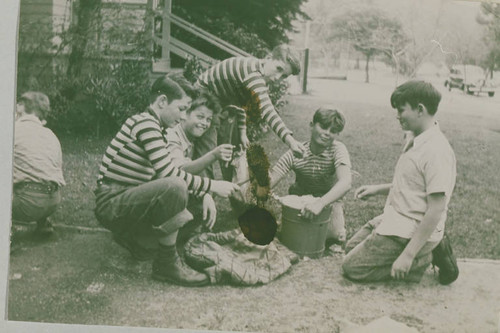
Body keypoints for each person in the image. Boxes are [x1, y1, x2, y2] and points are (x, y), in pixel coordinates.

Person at [94, 76, 239, 287]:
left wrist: (204, 193)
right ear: (162, 102)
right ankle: (167, 264)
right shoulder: (146, 124)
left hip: (125, 196)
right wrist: (213, 186)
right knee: (175, 186)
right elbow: (168, 173)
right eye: (181, 109)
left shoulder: (155, 127)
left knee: (183, 194)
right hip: (111, 202)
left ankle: (143, 243)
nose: (182, 117)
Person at [342, 80, 459, 285]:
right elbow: (412, 186)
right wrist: (378, 189)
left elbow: (436, 208)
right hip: (397, 217)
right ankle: (427, 248)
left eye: (401, 110)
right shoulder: (417, 138)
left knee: (352, 268)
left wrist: (408, 256)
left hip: (410, 227)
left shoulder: (436, 151)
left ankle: (424, 258)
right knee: (350, 249)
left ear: (420, 109)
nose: (397, 116)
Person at [194, 45, 305, 181]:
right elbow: (268, 111)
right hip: (204, 96)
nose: (277, 77)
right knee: (207, 150)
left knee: (233, 149)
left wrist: (242, 131)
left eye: (284, 76)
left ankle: (234, 192)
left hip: (225, 103)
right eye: (278, 69)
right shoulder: (252, 74)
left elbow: (240, 103)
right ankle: (202, 196)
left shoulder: (261, 76)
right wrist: (291, 141)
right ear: (268, 58)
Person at [270, 107, 352, 248]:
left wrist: (320, 203)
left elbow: (346, 182)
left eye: (333, 131)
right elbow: (270, 179)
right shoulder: (297, 150)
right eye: (324, 127)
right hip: (301, 198)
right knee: (292, 235)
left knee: (334, 235)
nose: (327, 133)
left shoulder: (337, 149)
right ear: (312, 125)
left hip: (328, 201)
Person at [12, 92, 65, 237]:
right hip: (53, 201)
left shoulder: (13, 130)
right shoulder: (50, 135)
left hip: (26, 204)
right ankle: (44, 224)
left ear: (21, 107)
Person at [165, 90, 234, 177]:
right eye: (200, 117)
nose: (205, 123)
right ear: (185, 114)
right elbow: (179, 171)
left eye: (208, 119)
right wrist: (214, 155)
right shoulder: (173, 135)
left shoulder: (192, 140)